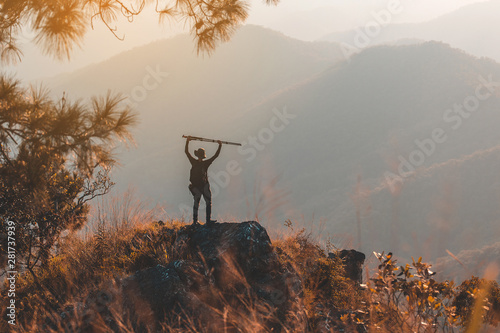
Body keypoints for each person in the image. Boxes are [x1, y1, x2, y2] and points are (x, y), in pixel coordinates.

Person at [185, 136, 222, 225]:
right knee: (207, 202)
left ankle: (196, 221)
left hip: (198, 186)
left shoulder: (194, 162)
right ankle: (206, 221)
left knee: (198, 203)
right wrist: (219, 145)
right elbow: (215, 156)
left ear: (197, 155)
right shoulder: (205, 163)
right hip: (204, 185)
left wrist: (187, 141)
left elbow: (186, 152)